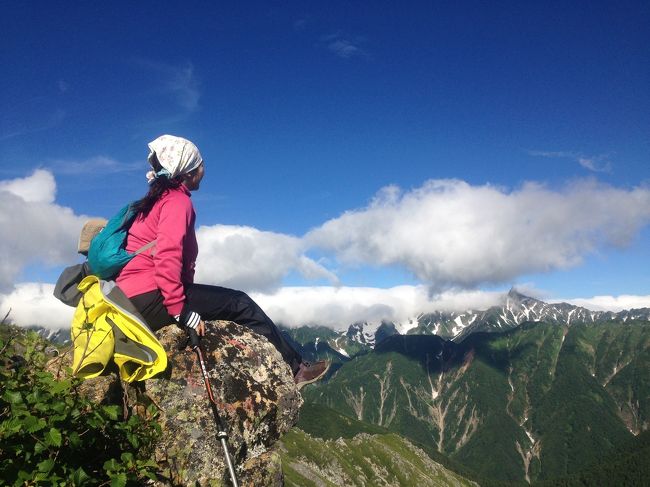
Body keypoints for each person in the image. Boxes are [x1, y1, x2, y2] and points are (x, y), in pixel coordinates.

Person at [116, 134, 329, 389]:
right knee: (240, 303)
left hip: (131, 297)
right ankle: (296, 370)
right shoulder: (176, 201)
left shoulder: (153, 201)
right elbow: (167, 254)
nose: (204, 170)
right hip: (152, 298)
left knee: (229, 303)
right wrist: (179, 309)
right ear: (187, 170)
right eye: (200, 164)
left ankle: (292, 365)